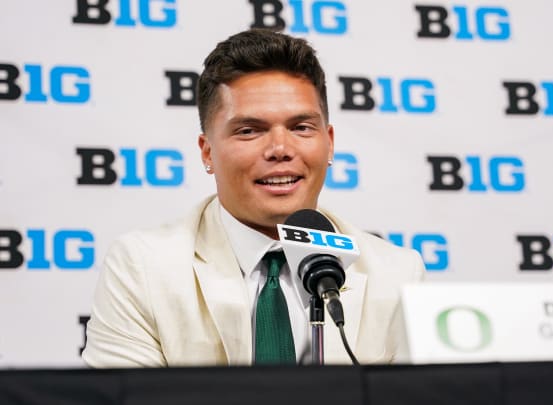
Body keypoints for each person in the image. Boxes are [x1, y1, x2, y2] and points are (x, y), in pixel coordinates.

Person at [82, 29, 425, 367]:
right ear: (207, 153)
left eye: (301, 127)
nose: (280, 149)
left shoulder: (397, 274)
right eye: (249, 130)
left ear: (329, 142)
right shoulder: (141, 268)